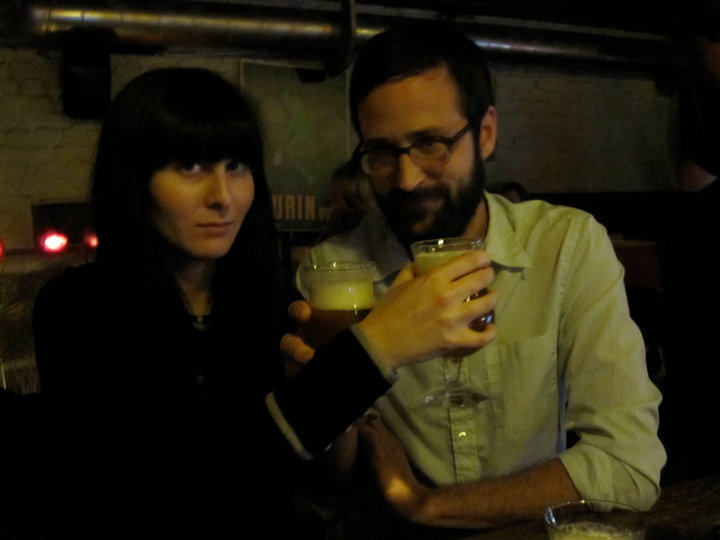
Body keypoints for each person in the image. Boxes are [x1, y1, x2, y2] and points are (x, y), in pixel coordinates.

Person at [26, 67, 497, 539]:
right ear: (134, 181)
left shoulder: (272, 305)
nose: (223, 197)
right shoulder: (76, 310)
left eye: (237, 166)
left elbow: (327, 484)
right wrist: (373, 351)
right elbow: (176, 497)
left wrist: (337, 409)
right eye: (191, 167)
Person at [283, 21, 666, 537]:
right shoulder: (334, 272)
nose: (407, 179)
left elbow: (628, 467)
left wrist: (425, 504)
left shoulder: (565, 246)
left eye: (430, 144)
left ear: (485, 133)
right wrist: (332, 396)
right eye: (381, 152)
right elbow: (328, 488)